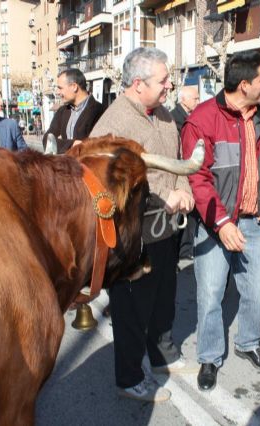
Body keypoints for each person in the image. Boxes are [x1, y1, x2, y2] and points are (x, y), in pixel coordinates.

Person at [89, 47, 196, 403]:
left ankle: (164, 355)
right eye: (163, 80)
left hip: (166, 228)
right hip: (132, 237)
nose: (170, 86)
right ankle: (130, 378)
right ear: (138, 84)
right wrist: (167, 192)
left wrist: (182, 188)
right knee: (132, 310)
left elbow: (178, 159)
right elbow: (110, 182)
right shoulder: (112, 124)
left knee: (165, 298)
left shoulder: (164, 114)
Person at [181, 51, 260, 391]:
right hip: (216, 224)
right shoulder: (202, 119)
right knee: (211, 294)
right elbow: (198, 179)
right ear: (244, 85)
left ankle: (248, 343)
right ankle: (210, 357)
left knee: (257, 289)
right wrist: (222, 223)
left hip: (255, 222)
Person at [171, 85, 201, 262]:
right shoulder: (176, 118)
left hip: (189, 168)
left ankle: (186, 248)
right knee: (181, 212)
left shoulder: (191, 116)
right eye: (195, 98)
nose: (198, 101)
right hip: (181, 169)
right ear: (183, 99)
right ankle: (180, 250)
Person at [42, 68, 104, 154]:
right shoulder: (62, 111)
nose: (57, 92)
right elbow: (47, 141)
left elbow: (96, 146)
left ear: (74, 87)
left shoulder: (99, 111)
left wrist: (60, 143)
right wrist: (72, 144)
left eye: (60, 88)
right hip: (65, 166)